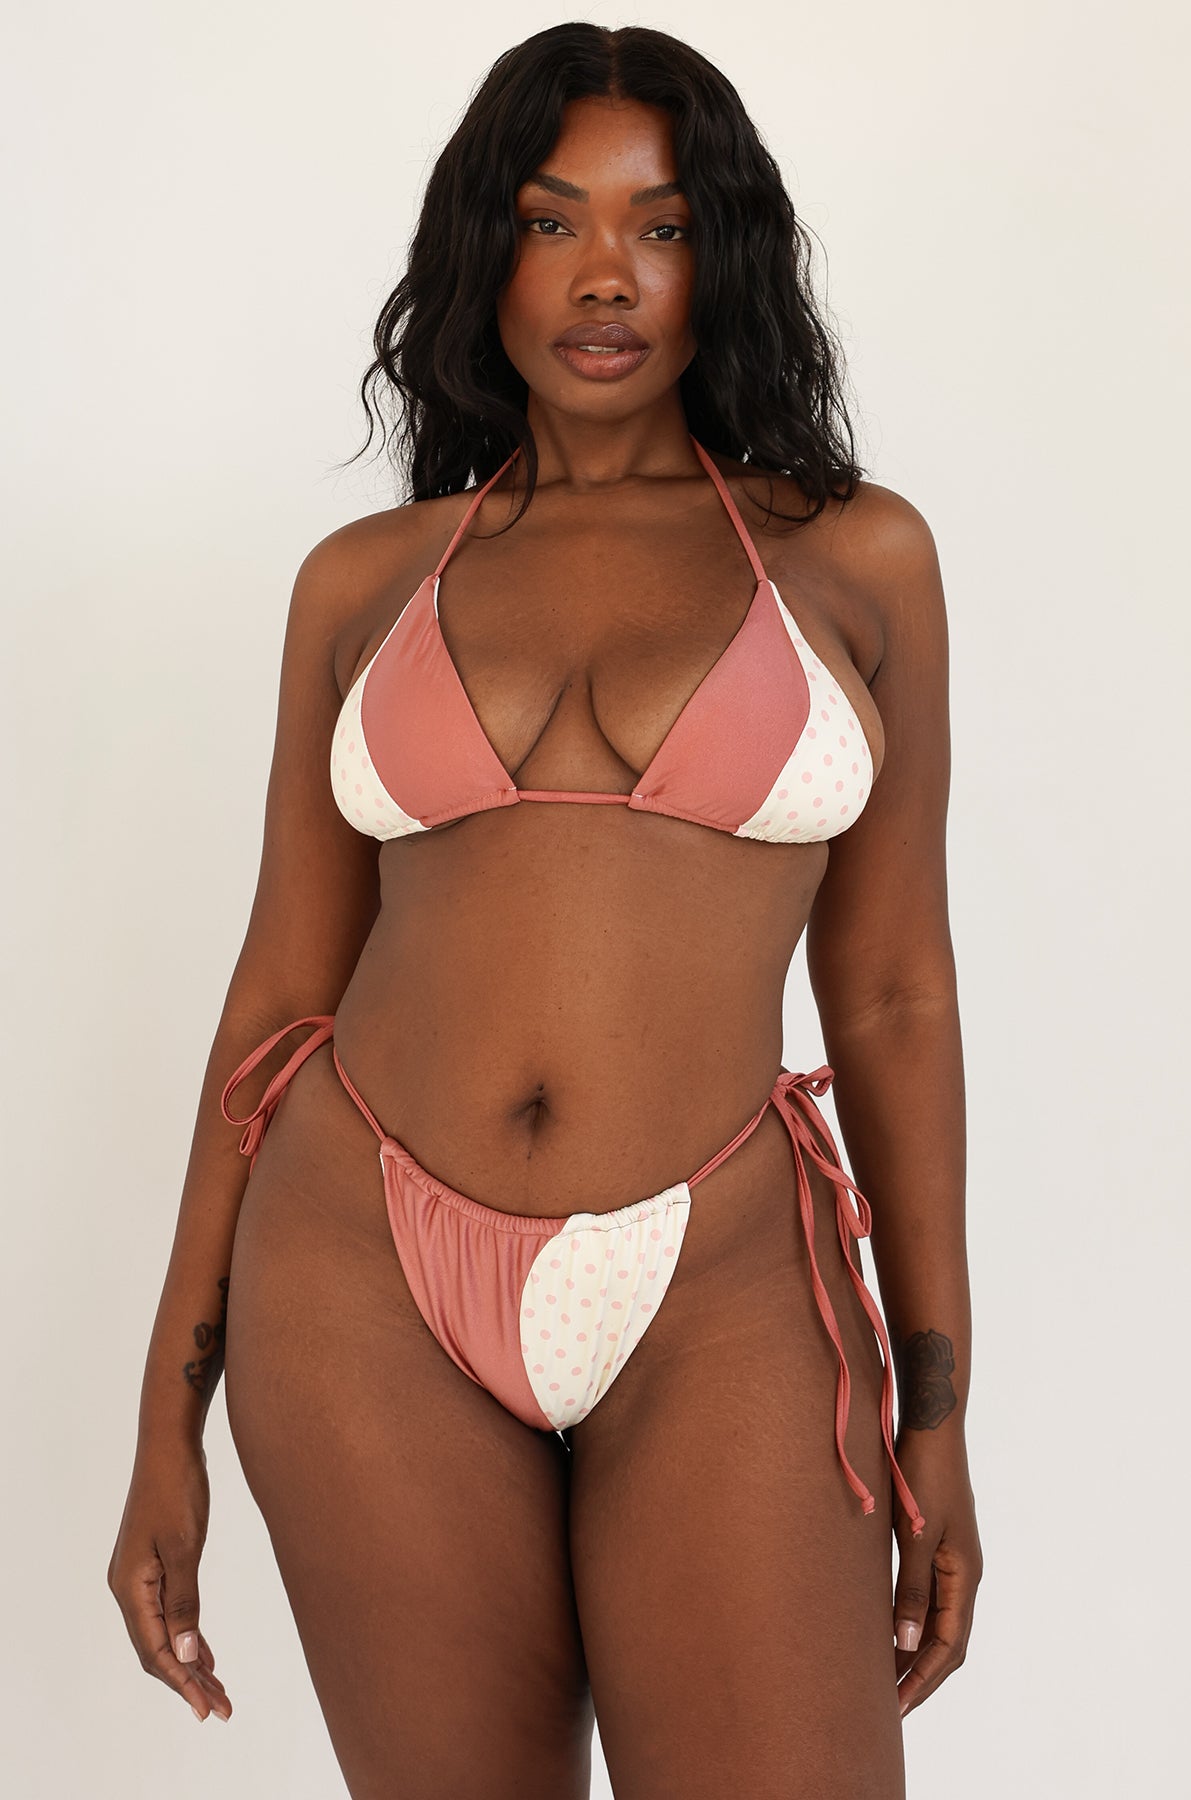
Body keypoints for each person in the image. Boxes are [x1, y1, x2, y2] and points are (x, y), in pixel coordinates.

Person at [107, 20, 982, 1796]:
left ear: (722, 260)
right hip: (355, 1273)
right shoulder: (364, 582)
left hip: (722, 1277)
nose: (604, 275)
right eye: (550, 220)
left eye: (661, 226)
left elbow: (893, 992)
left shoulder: (853, 555)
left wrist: (939, 1414)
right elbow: (278, 994)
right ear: (481, 254)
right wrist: (161, 1417)